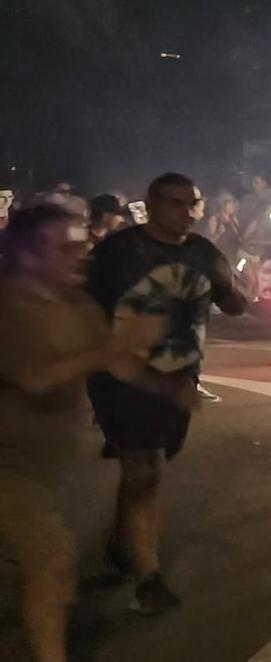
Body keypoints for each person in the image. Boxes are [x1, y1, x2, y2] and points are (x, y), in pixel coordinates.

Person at [1, 205, 164, 662]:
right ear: (29, 255)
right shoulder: (9, 305)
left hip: (41, 464)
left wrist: (165, 382)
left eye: (83, 243)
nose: (82, 254)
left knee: (36, 564)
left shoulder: (76, 302)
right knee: (52, 562)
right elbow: (35, 376)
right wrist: (116, 345)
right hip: (7, 465)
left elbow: (109, 355)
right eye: (67, 247)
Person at [86, 172, 247, 615]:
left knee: (141, 467)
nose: (187, 211)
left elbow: (234, 302)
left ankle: (121, 548)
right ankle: (149, 577)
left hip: (181, 378)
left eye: (193, 203)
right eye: (175, 203)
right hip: (123, 377)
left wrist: (233, 284)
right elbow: (85, 310)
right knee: (146, 470)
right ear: (151, 205)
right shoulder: (119, 252)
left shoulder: (202, 252)